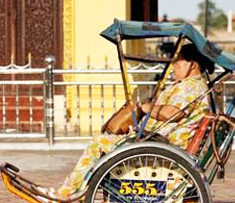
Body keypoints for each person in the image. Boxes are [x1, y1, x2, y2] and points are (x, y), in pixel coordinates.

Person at [41, 43, 215, 200]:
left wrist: (145, 107)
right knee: (106, 140)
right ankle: (76, 191)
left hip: (165, 147)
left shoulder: (191, 86)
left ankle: (66, 193)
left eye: (177, 62)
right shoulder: (191, 85)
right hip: (161, 142)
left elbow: (172, 113)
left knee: (98, 143)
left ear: (192, 64)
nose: (173, 67)